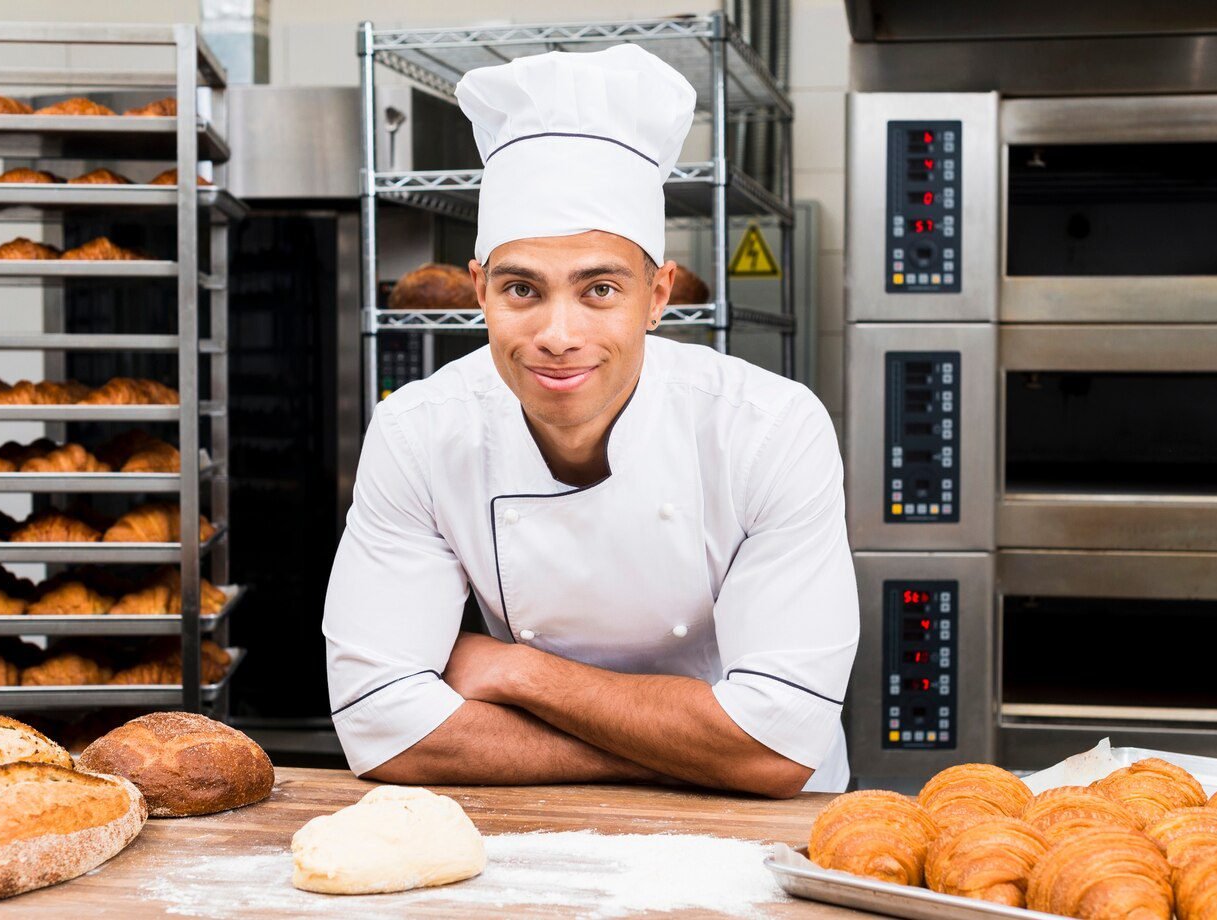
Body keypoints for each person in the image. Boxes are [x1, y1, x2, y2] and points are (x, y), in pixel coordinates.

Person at [324, 43, 858, 797]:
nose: (558, 333)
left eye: (599, 289)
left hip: (763, 832)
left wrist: (519, 670)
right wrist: (706, 751)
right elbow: (380, 727)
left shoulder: (766, 429)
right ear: (480, 291)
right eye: (521, 290)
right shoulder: (419, 432)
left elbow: (779, 745)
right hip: (529, 825)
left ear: (658, 294)